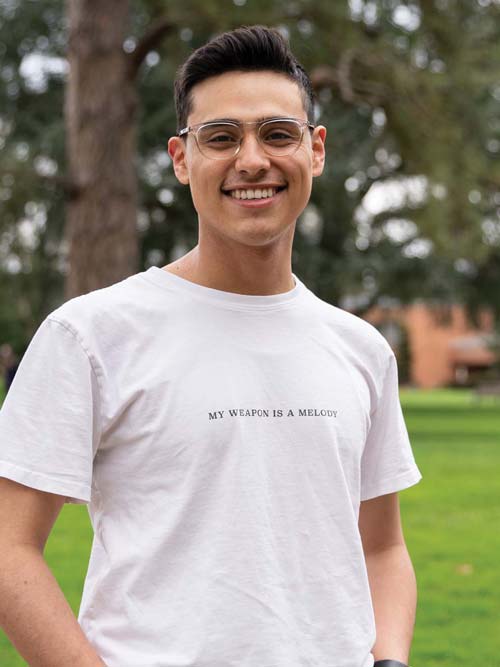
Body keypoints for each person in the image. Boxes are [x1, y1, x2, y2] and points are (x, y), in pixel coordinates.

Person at [0, 25, 421, 667]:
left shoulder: (361, 350)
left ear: (316, 151)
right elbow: (9, 544)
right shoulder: (91, 335)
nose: (251, 160)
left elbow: (382, 547)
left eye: (278, 133)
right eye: (221, 138)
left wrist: (389, 659)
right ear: (180, 158)